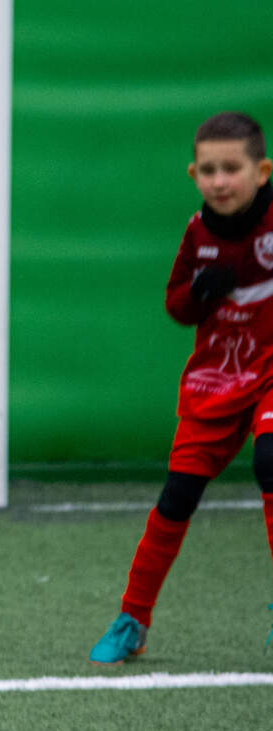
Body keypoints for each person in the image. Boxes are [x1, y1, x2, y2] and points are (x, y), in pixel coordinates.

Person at [89, 111, 273, 664]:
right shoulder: (197, 233)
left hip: (270, 371)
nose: (220, 181)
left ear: (262, 171)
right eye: (208, 170)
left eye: (232, 169)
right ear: (193, 175)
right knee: (176, 497)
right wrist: (198, 292)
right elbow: (176, 306)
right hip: (217, 379)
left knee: (271, 461)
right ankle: (132, 619)